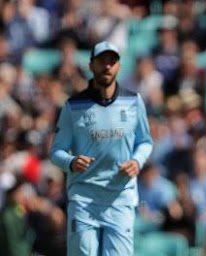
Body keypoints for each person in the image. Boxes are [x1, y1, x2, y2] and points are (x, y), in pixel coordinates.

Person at [50, 41, 153, 256]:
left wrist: (136, 162)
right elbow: (56, 151)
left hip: (120, 197)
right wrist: (71, 162)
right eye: (101, 61)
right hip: (84, 197)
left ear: (118, 66)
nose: (107, 66)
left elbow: (145, 142)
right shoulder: (73, 106)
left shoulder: (134, 101)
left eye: (112, 62)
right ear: (91, 66)